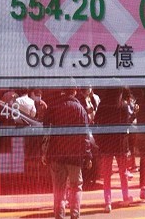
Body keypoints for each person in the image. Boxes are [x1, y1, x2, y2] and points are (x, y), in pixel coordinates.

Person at [42, 85, 91, 219]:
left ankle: (59, 216)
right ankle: (75, 215)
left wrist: (45, 151)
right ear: (75, 91)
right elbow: (85, 135)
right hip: (75, 156)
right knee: (76, 186)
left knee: (58, 189)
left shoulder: (54, 107)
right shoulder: (81, 109)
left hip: (57, 154)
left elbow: (45, 129)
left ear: (63, 90)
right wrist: (88, 155)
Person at [94, 88, 133, 213]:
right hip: (120, 143)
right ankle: (125, 197)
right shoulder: (123, 106)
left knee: (106, 175)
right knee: (123, 172)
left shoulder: (103, 104)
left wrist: (99, 139)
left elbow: (96, 121)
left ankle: (108, 202)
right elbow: (127, 124)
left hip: (106, 143)